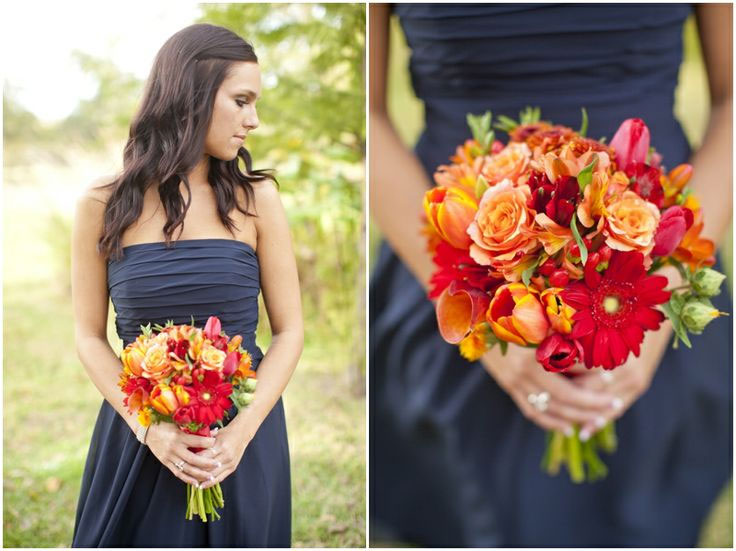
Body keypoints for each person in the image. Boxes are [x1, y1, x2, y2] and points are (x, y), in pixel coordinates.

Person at [370, 4, 731, 547]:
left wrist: (665, 289)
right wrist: (479, 316)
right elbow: (367, 112)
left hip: (659, 252)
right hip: (452, 260)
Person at [71, 23, 303, 546]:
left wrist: (239, 437)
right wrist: (150, 430)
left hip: (243, 435)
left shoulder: (257, 199)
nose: (254, 120)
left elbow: (290, 332)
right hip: (140, 436)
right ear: (193, 95)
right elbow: (88, 336)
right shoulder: (101, 205)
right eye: (241, 100)